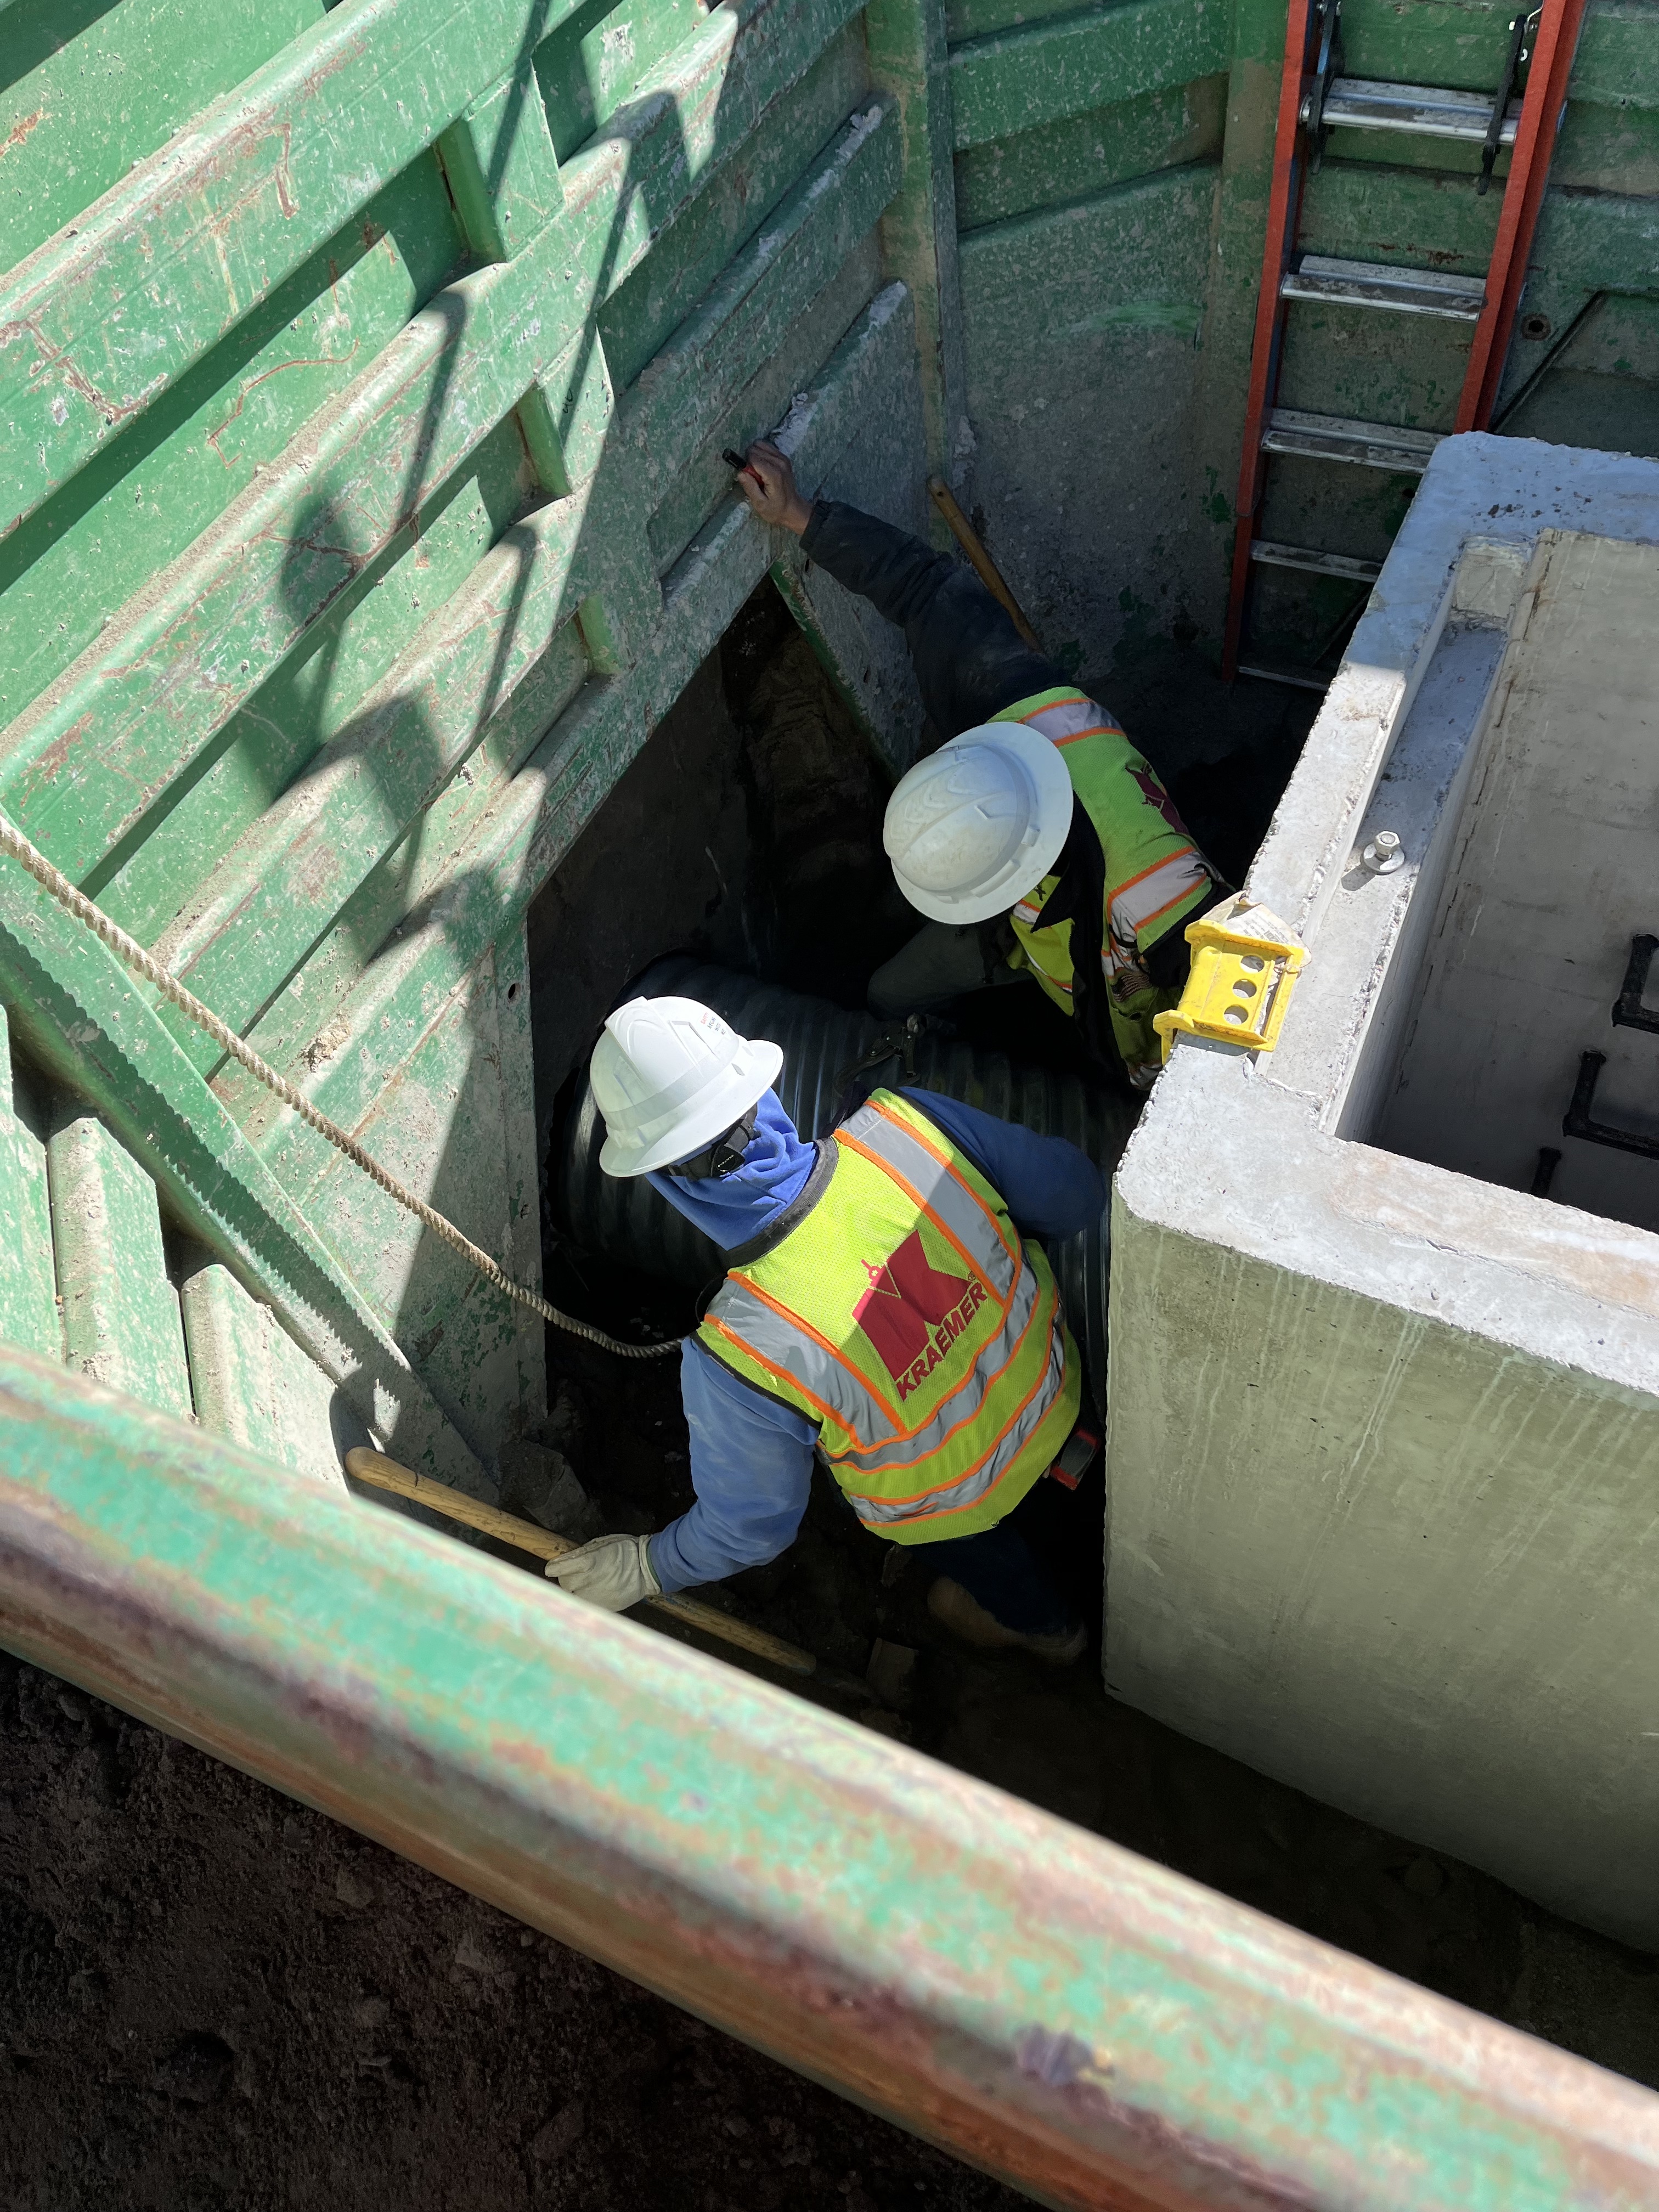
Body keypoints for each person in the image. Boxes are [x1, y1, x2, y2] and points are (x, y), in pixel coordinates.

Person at [545, 993, 1107, 1663]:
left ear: (666, 1181)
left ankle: (1053, 1633)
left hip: (960, 1507)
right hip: (1060, 1389)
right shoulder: (913, 1127)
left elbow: (754, 1529)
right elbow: (1076, 1193)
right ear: (762, 1089)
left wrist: (648, 1566)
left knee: (991, 1561)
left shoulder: (741, 1352)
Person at [734, 443, 1226, 1090]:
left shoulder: (1168, 907)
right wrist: (798, 514)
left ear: (1015, 877)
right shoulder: (1005, 697)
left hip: (1124, 1028)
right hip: (1032, 942)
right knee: (887, 994)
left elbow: (1228, 1037)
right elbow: (922, 585)